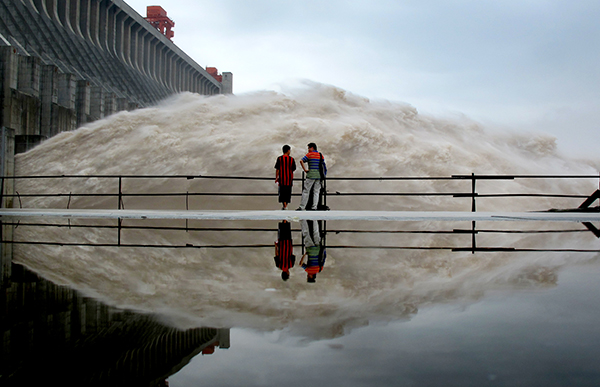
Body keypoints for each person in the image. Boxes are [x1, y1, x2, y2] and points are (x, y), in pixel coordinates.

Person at [297, 142, 327, 211]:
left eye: (308, 148)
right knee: (316, 192)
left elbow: (301, 161)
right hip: (319, 175)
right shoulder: (320, 155)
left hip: (310, 175)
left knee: (306, 191)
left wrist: (305, 170)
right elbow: (323, 165)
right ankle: (314, 207)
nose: (308, 150)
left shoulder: (309, 155)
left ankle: (302, 207)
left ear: (312, 148)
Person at [274, 145, 296, 210]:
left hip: (282, 178)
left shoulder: (279, 159)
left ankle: (284, 206)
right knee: (288, 192)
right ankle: (286, 206)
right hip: (289, 178)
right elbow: (294, 168)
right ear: (288, 150)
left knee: (282, 192)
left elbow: (277, 169)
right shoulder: (291, 159)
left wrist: (276, 177)